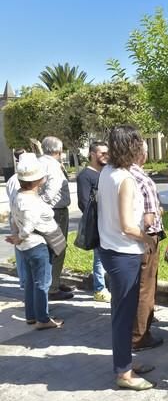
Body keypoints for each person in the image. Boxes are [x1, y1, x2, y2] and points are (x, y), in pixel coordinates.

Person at [97, 125, 156, 391]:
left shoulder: (106, 172)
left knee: (122, 313)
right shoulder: (125, 179)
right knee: (123, 316)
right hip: (123, 253)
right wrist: (148, 237)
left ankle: (125, 362)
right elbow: (127, 226)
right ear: (132, 146)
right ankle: (123, 373)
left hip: (110, 249)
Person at [7, 153, 63, 329]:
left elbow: (14, 219)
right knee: (42, 283)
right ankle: (43, 319)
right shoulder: (30, 200)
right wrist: (20, 235)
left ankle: (32, 315)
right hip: (37, 244)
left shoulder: (18, 195)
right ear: (37, 179)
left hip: (26, 246)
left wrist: (17, 235)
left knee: (31, 282)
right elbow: (29, 223)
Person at [130, 141, 165, 352]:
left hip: (125, 242)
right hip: (146, 238)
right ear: (142, 154)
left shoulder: (117, 174)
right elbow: (149, 219)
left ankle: (134, 329)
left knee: (134, 287)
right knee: (146, 287)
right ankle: (140, 336)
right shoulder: (143, 179)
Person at [39, 136, 74, 300]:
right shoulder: (53, 166)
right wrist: (43, 204)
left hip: (45, 212)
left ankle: (53, 280)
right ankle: (52, 287)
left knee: (48, 248)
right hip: (56, 212)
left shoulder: (39, 162)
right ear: (59, 151)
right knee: (58, 248)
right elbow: (51, 192)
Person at [76, 141, 111, 303]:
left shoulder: (107, 172)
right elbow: (83, 202)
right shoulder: (85, 176)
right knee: (99, 257)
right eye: (101, 153)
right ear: (91, 154)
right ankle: (99, 288)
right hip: (97, 223)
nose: (105, 155)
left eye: (107, 152)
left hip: (110, 222)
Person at [7, 148, 27, 290]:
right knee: (23, 248)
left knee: (19, 249)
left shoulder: (11, 179)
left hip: (14, 215)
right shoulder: (19, 179)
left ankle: (23, 280)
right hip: (20, 216)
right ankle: (25, 281)